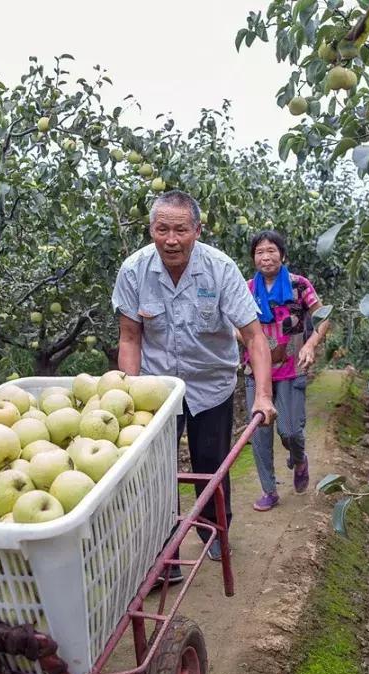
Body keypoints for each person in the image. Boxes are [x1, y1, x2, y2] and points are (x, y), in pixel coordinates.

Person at [112, 190, 277, 577]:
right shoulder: (135, 270)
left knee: (210, 465)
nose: (171, 239)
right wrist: (128, 394)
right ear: (151, 229)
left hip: (211, 385)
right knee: (154, 470)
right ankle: (163, 551)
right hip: (158, 389)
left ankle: (215, 532)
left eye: (181, 229)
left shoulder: (219, 269)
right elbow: (130, 338)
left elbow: (254, 337)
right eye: (162, 229)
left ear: (197, 230)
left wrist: (264, 396)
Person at [242, 230, 329, 511]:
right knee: (260, 434)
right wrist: (244, 340)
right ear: (254, 258)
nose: (265, 256)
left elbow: (323, 317)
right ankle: (269, 490)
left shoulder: (299, 286)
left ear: (282, 255)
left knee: (291, 431)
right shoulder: (246, 290)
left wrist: (311, 344)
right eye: (259, 252)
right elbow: (232, 323)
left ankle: (299, 458)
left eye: (271, 251)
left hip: (292, 367)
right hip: (255, 371)